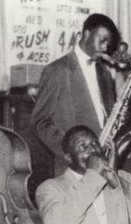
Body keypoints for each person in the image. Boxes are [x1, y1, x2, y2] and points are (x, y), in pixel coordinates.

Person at [31, 13, 120, 176]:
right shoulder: (56, 71)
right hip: (72, 168)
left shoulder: (105, 73)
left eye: (108, 43)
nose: (106, 48)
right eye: (102, 41)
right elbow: (40, 122)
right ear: (86, 34)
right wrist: (72, 151)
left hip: (103, 162)